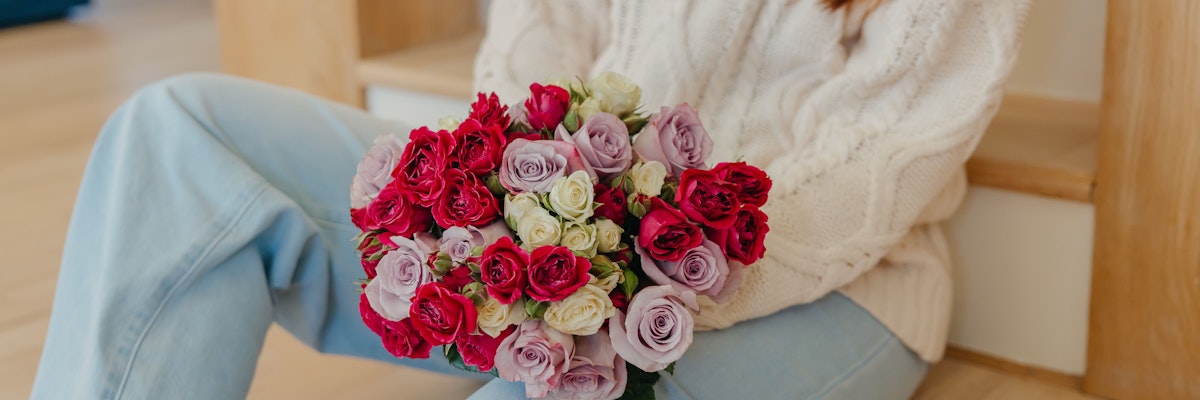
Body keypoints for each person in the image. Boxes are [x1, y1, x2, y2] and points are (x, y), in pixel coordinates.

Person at [31, 0, 1030, 398]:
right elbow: (534, 42)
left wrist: (628, 282)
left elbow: (887, 152)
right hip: (563, 244)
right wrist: (498, 217)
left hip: (822, 284)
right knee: (179, 134)